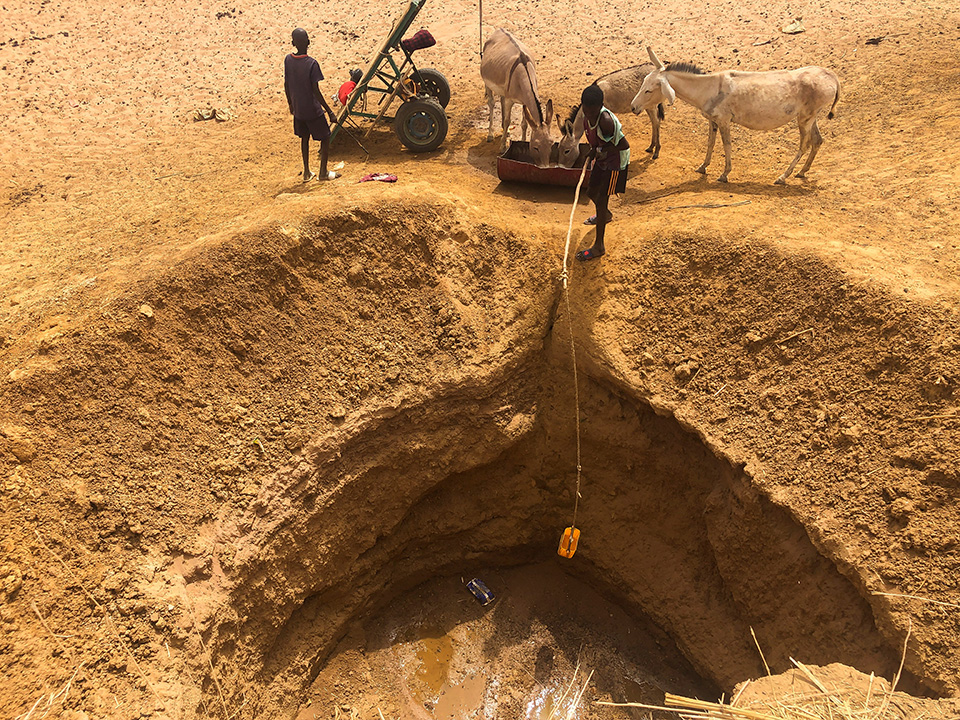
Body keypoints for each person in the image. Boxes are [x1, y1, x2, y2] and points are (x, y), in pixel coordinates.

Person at [577, 83, 630, 261]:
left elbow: (623, 145)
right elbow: (596, 140)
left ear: (600, 107)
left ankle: (599, 246)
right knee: (591, 192)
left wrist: (600, 151)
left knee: (601, 199)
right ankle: (604, 215)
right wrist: (594, 150)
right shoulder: (586, 118)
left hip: (615, 163)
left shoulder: (605, 121)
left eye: (593, 112)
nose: (590, 115)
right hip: (602, 159)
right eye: (587, 111)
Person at [284, 27, 339, 182]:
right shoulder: (312, 64)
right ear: (308, 42)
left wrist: (290, 104)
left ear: (292, 42)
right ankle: (323, 173)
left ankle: (307, 172)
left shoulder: (288, 60)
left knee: (304, 138)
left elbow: (286, 83)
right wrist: (330, 111)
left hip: (298, 109)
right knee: (326, 137)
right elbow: (316, 91)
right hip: (312, 110)